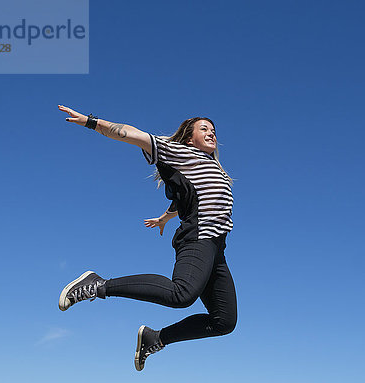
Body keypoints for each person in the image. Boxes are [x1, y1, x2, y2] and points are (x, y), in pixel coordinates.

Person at [56, 105, 237, 371]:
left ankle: (156, 338)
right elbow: (131, 134)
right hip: (198, 238)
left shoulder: (211, 166)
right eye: (204, 129)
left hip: (216, 247)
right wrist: (91, 122)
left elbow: (187, 197)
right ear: (189, 138)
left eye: (213, 130)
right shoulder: (179, 151)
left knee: (224, 321)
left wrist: (165, 217)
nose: (211, 133)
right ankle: (98, 284)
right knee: (182, 294)